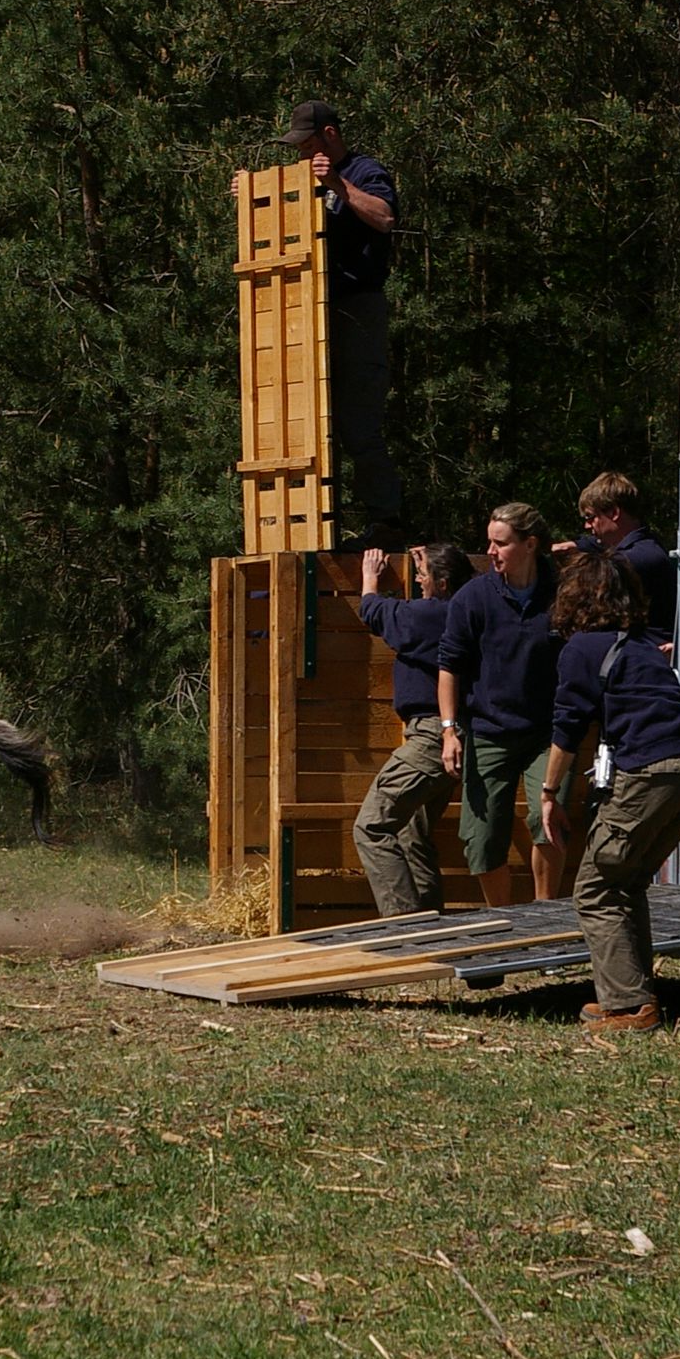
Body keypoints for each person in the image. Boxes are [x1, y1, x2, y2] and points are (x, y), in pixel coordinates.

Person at [540, 549, 680, 1032]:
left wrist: (549, 794)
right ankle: (632, 995)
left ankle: (629, 1008)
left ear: (574, 598)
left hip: (653, 769)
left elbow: (569, 727)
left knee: (596, 888)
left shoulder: (582, 648)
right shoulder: (641, 644)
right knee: (625, 880)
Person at [278, 99, 401, 541]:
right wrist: (251, 198)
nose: (302, 156)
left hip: (358, 305)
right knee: (303, 420)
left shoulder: (364, 171)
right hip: (308, 310)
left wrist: (336, 183)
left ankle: (384, 521)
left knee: (358, 420)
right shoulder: (303, 178)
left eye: (308, 145)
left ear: (330, 134)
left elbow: (385, 219)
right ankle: (312, 526)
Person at [437, 502, 570, 906]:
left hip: (546, 734)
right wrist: (449, 730)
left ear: (530, 544)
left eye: (501, 544)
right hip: (488, 731)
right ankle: (503, 925)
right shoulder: (473, 598)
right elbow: (449, 666)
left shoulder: (562, 590)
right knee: (481, 836)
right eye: (489, 543)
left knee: (546, 820)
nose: (491, 552)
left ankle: (545, 917)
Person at [353, 542, 473, 914]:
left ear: (442, 583)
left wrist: (369, 580)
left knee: (371, 827)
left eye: (424, 577)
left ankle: (404, 926)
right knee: (410, 833)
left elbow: (375, 612)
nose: (418, 580)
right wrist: (429, 565)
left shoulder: (433, 617)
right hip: (449, 736)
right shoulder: (465, 611)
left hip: (431, 738)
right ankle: (431, 927)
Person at [554, 472, 676, 632]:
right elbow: (590, 544)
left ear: (614, 513)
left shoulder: (637, 559)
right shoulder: (636, 546)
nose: (587, 526)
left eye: (590, 517)